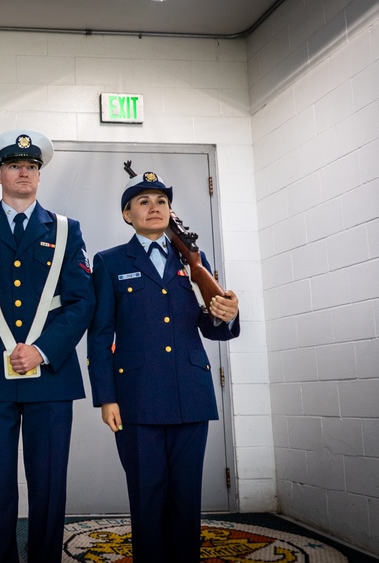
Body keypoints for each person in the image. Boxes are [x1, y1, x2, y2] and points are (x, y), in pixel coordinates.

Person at [0, 130, 95, 562]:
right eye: (14, 166)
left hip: (50, 375)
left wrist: (42, 350)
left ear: (39, 175)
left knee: (48, 485)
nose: (23, 172)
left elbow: (83, 302)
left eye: (31, 166)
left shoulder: (66, 230)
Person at [88, 171, 240, 562]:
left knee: (186, 498)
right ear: (127, 214)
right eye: (143, 202)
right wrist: (106, 397)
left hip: (190, 392)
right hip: (137, 398)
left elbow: (215, 329)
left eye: (161, 201)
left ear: (171, 212)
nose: (154, 208)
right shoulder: (109, 262)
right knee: (147, 495)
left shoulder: (195, 261)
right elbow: (101, 334)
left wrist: (227, 313)